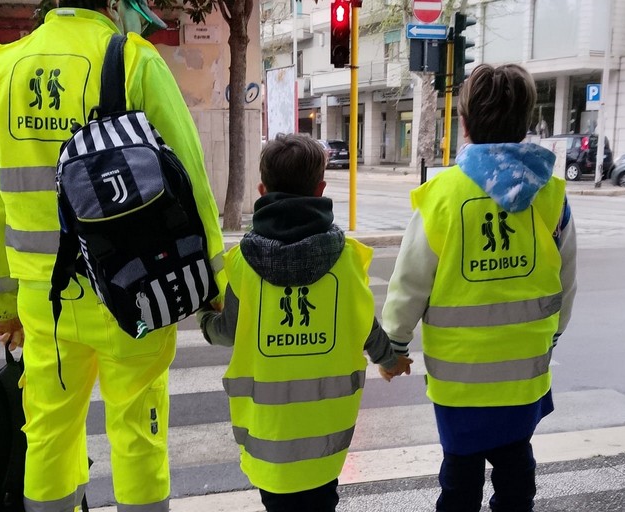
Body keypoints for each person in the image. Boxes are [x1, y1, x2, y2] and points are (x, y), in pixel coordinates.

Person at [0, 1, 225, 510]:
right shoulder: (133, 60)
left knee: (48, 430)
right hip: (134, 287)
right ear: (112, 4)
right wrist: (213, 280)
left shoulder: (3, 71)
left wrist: (2, 306)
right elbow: (189, 177)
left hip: (45, 305)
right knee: (137, 431)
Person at [382, 63, 577, 512]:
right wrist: (553, 335)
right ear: (527, 122)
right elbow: (566, 285)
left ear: (464, 124)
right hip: (524, 376)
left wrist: (393, 347)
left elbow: (410, 281)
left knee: (460, 476)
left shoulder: (443, 196)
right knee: (515, 471)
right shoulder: (551, 196)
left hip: (459, 381)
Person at [196, 133, 411, 512]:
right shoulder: (346, 260)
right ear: (321, 188)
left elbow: (227, 331)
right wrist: (390, 360)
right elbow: (367, 327)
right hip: (326, 436)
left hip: (268, 435)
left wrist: (204, 318)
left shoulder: (243, 264)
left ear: (263, 189)